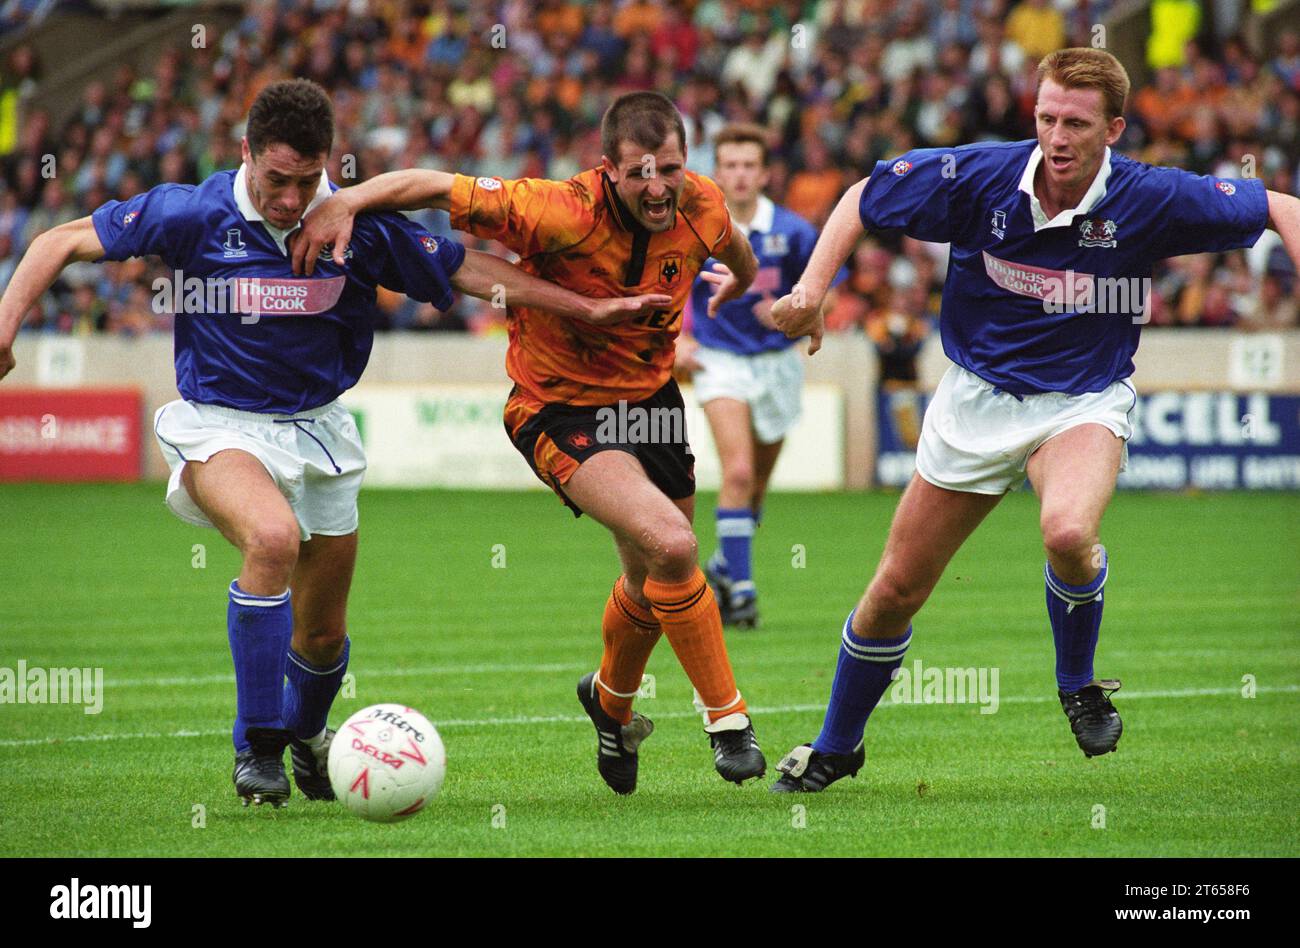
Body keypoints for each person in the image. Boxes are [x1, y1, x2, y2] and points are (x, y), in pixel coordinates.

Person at [0, 79, 666, 808]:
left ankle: (310, 740)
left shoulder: (359, 225)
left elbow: (466, 270)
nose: (290, 199)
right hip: (220, 424)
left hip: (320, 429)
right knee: (271, 539)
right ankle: (258, 750)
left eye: (306, 180)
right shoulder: (193, 212)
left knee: (321, 639)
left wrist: (590, 308)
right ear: (247, 153)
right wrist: (4, 329)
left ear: (330, 164)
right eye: (276, 180)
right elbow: (58, 240)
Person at [766, 48, 1300, 792]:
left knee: (1069, 533)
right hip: (976, 400)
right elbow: (863, 196)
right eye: (1047, 117)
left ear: (1112, 128)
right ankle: (837, 746)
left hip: (1082, 402)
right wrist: (811, 290)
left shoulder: (1150, 197)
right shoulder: (975, 177)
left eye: (1076, 122)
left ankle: (1077, 682)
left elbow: (1279, 205)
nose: (1057, 135)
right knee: (895, 589)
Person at [292, 91, 769, 794]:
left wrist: (742, 285)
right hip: (557, 407)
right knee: (673, 544)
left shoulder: (699, 202)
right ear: (609, 169)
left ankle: (610, 705)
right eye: (640, 171)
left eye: (669, 168)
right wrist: (347, 203)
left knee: (653, 578)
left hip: (652, 401)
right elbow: (429, 184)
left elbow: (734, 247)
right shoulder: (556, 208)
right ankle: (728, 722)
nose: (658, 186)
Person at [676, 122, 842, 629]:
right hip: (719, 361)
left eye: (750, 165)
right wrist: (677, 338)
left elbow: (824, 287)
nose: (741, 175)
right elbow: (673, 283)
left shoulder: (791, 231)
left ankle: (726, 565)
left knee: (757, 490)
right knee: (739, 473)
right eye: (731, 165)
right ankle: (743, 594)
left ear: (765, 172)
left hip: (778, 364)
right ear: (717, 171)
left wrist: (799, 308)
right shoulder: (699, 227)